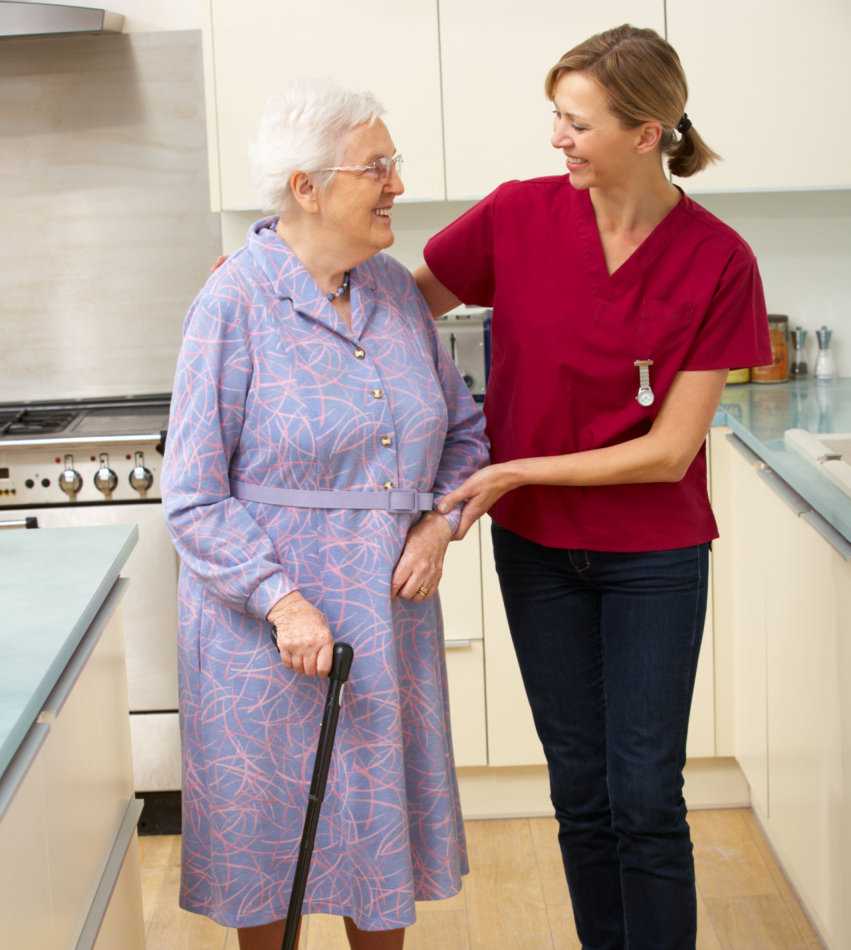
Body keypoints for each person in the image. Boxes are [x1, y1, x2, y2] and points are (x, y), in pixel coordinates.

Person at [414, 24, 771, 950]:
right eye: (556, 119)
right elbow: (398, 304)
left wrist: (513, 467)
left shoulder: (719, 259)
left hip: (651, 553)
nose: (557, 140)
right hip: (537, 552)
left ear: (646, 132)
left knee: (645, 793)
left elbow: (667, 451)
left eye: (575, 123)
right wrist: (276, 278)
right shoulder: (514, 215)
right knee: (578, 788)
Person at [161, 77, 488, 950]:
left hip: (386, 619)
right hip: (265, 630)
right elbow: (192, 494)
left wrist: (437, 527)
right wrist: (281, 599)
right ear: (306, 186)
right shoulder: (232, 301)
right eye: (375, 167)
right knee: (271, 843)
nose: (397, 185)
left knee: (372, 845)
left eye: (393, 164)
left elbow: (465, 433)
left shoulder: (390, 290)